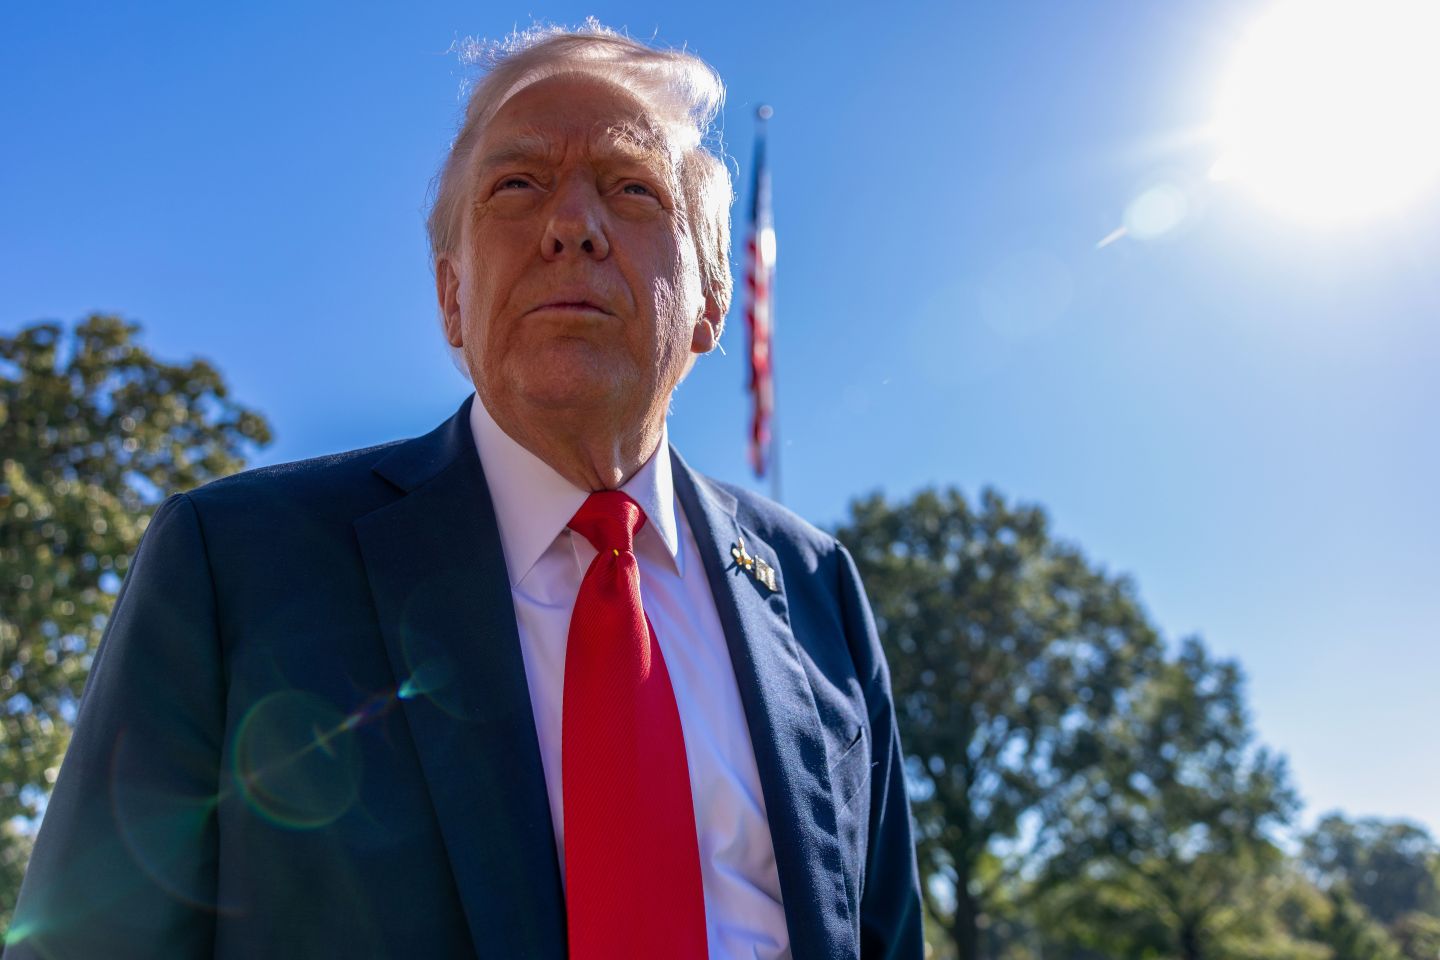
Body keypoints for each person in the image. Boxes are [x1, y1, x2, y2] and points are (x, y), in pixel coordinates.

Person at [6, 24, 922, 960]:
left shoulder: (819, 591)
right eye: (517, 186)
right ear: (451, 294)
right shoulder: (233, 564)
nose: (572, 224)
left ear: (713, 299)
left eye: (633, 188)